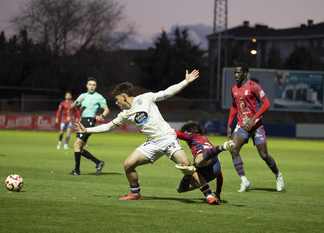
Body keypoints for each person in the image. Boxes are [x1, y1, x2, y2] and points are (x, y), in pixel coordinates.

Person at [75, 70, 221, 205]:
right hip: (152, 143)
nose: (116, 102)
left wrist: (185, 82)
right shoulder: (124, 114)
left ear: (124, 97)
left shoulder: (145, 98)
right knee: (128, 164)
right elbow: (108, 126)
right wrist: (87, 129)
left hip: (168, 138)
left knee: (188, 167)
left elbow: (167, 92)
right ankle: (135, 193)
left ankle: (209, 196)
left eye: (117, 99)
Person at [227, 62, 284, 192]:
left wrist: (254, 118)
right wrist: (229, 124)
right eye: (234, 72)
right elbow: (234, 107)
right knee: (233, 150)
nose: (236, 75)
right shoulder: (234, 89)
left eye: (238, 72)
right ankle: (244, 181)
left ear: (245, 73)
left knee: (264, 155)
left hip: (256, 125)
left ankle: (278, 175)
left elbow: (266, 104)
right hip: (242, 125)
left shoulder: (254, 86)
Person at [174, 121, 234, 200]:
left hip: (205, 157)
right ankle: (210, 196)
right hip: (215, 169)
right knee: (181, 188)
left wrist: (163, 127)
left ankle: (221, 147)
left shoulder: (194, 136)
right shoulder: (204, 140)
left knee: (197, 162)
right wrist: (218, 192)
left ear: (188, 132)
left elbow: (177, 134)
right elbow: (220, 175)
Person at [69, 77, 110, 175]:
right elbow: (72, 107)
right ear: (86, 85)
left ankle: (77, 170)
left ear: (96, 86)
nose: (91, 87)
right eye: (90, 84)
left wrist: (101, 116)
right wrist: (77, 101)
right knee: (80, 148)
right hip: (82, 121)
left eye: (94, 85)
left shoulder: (99, 97)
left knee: (76, 145)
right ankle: (98, 162)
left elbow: (107, 109)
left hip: (89, 122)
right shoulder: (82, 95)